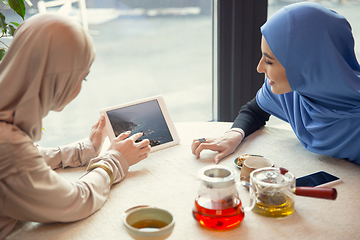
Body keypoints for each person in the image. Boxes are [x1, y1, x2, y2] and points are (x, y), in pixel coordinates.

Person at [0, 13, 151, 239]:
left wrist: (84, 150)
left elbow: (23, 161)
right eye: (82, 78)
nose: (79, 88)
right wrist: (114, 160)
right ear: (59, 78)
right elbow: (75, 201)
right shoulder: (9, 145)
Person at [192, 2, 360, 165]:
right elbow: (254, 111)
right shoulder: (291, 90)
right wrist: (234, 134)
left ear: (306, 65)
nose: (259, 68)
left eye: (269, 61)